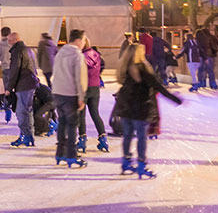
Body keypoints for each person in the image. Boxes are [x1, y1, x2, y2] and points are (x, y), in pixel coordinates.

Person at [116, 43, 182, 178]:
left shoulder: (124, 69)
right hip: (141, 109)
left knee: (127, 136)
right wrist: (176, 99)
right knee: (141, 137)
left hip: (125, 108)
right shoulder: (144, 71)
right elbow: (159, 87)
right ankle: (141, 165)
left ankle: (126, 162)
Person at [52, 30, 89, 167]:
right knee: (72, 125)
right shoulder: (77, 55)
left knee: (62, 124)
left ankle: (60, 153)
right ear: (78, 40)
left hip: (57, 93)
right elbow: (80, 78)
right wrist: (81, 96)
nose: (84, 44)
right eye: (84, 40)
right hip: (70, 94)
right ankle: (71, 156)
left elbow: (54, 72)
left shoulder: (60, 53)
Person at [6, 33, 40, 148]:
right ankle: (29, 136)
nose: (8, 43)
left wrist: (9, 88)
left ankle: (26, 135)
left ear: (15, 40)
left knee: (21, 112)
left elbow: (14, 70)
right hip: (30, 83)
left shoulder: (18, 51)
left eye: (10, 40)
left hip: (24, 85)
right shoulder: (27, 49)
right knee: (27, 111)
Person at [77, 40, 109, 153]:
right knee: (95, 113)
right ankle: (103, 138)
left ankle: (82, 139)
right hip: (95, 87)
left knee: (81, 114)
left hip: (84, 87)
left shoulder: (82, 57)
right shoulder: (96, 55)